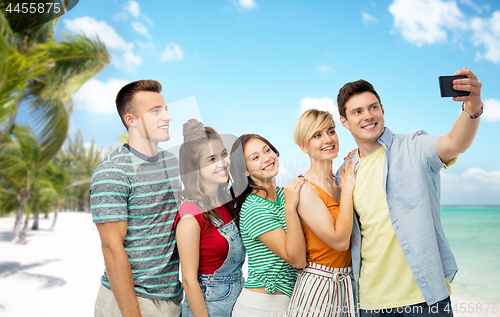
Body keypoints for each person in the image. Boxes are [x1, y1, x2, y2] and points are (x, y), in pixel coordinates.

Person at [336, 68, 483, 316]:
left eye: (373, 107)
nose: (368, 116)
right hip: (370, 302)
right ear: (344, 121)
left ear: (382, 110)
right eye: (357, 111)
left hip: (425, 299)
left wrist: (472, 108)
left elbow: (455, 142)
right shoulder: (345, 173)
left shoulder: (414, 146)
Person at [90, 80, 182, 317]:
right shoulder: (112, 172)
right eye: (155, 111)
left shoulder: (172, 163)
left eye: (166, 109)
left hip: (171, 299)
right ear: (131, 120)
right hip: (129, 302)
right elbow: (111, 249)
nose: (167, 117)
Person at [287, 109, 356, 317]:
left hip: (345, 283)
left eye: (331, 131)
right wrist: (348, 188)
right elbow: (340, 241)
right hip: (319, 286)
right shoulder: (305, 189)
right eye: (317, 135)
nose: (328, 139)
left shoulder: (339, 180)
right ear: (303, 146)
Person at [229, 134, 307, 317]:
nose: (266, 158)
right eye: (255, 158)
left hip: (289, 301)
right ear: (245, 171)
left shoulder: (283, 195)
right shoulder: (254, 207)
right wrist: (290, 207)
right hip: (262, 307)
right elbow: (297, 260)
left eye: (267, 150)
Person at [175, 119, 245, 317]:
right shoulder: (191, 215)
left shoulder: (227, 202)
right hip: (209, 307)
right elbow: (189, 280)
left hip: (237, 303)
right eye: (211, 159)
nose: (222, 163)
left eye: (223, 154)